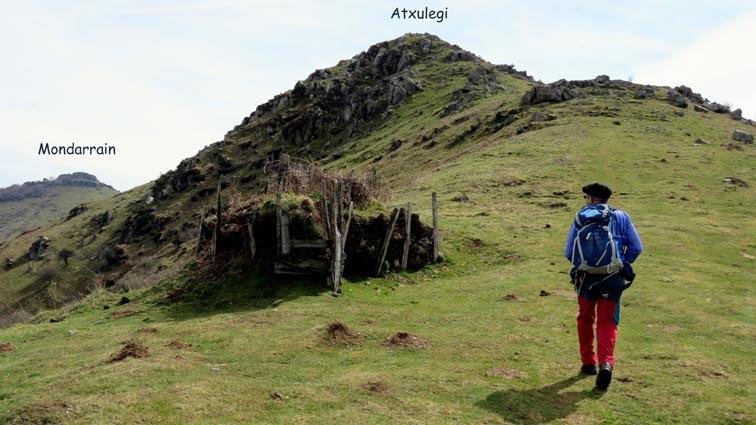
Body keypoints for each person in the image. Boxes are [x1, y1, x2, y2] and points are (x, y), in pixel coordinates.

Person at [564, 183, 643, 390]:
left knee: (585, 318)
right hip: (612, 278)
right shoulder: (621, 217)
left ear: (590, 199)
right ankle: (606, 363)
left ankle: (588, 362)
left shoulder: (581, 217)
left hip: (586, 279)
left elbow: (568, 252)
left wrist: (580, 266)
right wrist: (624, 263)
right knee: (608, 321)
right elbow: (636, 247)